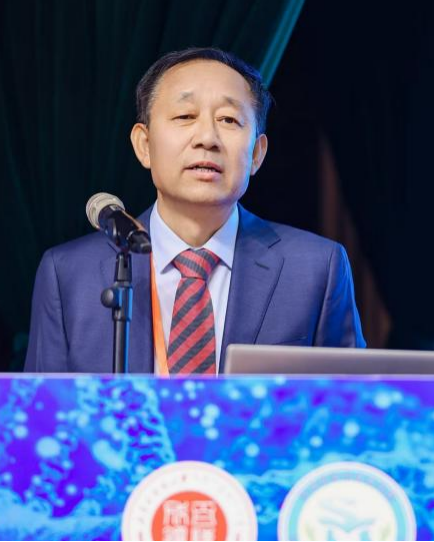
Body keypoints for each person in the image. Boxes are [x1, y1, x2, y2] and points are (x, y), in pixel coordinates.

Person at [25, 47, 365, 374]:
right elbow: (42, 409)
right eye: (185, 116)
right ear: (144, 145)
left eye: (229, 119)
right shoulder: (69, 274)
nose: (207, 138)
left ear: (256, 154)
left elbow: (354, 403)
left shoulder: (315, 269)